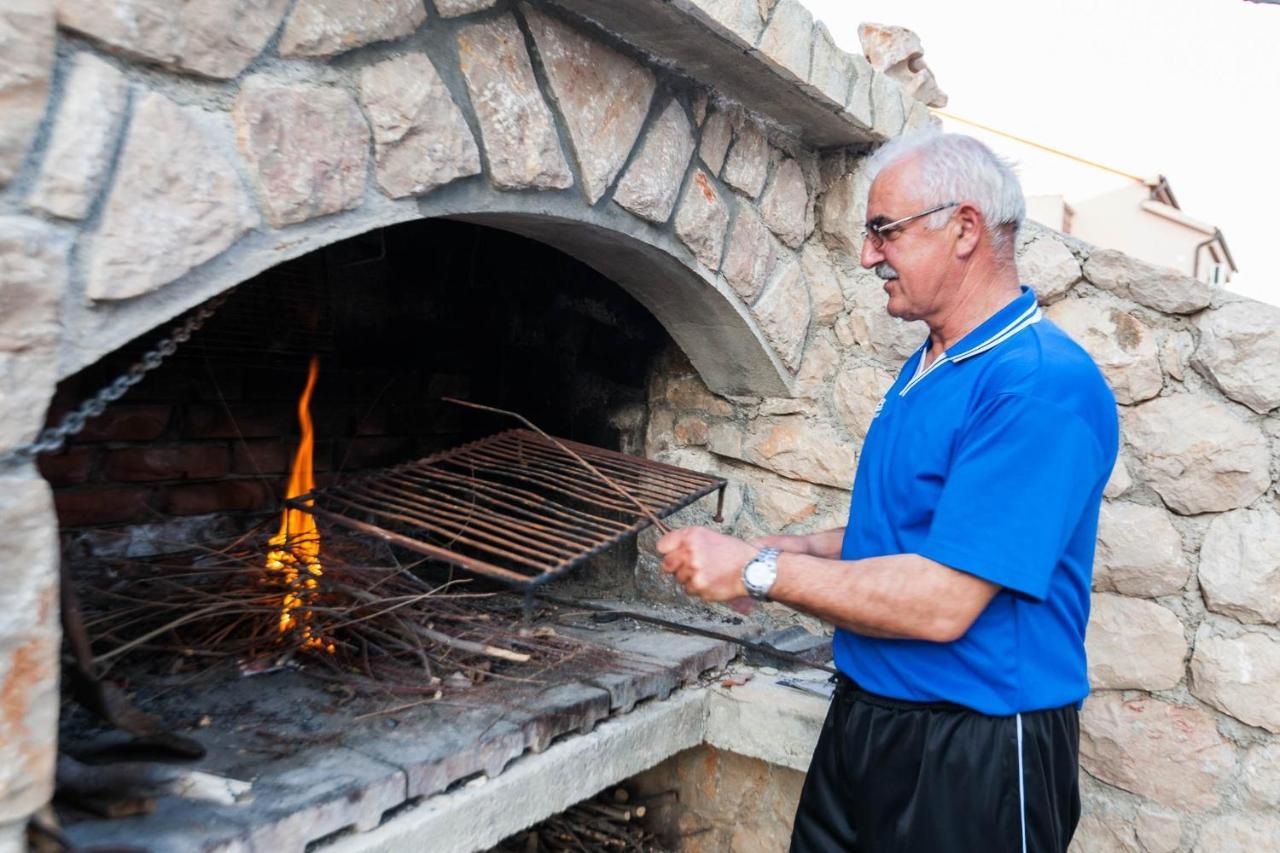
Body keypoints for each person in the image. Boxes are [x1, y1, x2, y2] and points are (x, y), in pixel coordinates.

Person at [655, 131, 1118, 853]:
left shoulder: (1037, 385)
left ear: (965, 227)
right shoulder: (932, 363)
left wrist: (759, 572)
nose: (868, 254)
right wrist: (797, 545)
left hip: (973, 744)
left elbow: (942, 600)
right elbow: (922, 530)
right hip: (867, 717)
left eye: (883, 230)